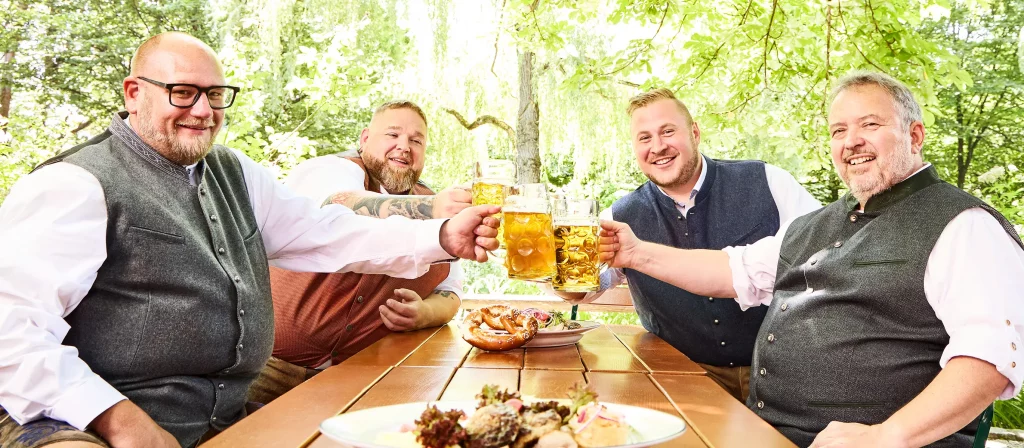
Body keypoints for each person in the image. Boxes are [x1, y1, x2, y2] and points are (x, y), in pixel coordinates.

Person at [0, 32, 499, 448]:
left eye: (215, 95)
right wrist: (116, 418)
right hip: (81, 422)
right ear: (134, 92)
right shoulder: (74, 185)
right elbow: (11, 336)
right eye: (183, 92)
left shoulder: (233, 170)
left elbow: (321, 232)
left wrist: (440, 235)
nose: (203, 110)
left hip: (227, 416)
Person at [597, 71, 1024, 447]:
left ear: (915, 136)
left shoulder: (964, 224)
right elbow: (730, 271)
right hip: (765, 430)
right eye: (839, 130)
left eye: (869, 124)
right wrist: (634, 252)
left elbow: (991, 357)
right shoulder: (816, 225)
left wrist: (887, 436)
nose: (851, 140)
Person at [553, 88, 820, 401]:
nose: (658, 146)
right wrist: (551, 258)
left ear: (695, 132)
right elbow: (582, 288)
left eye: (668, 131)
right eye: (644, 138)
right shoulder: (620, 215)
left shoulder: (769, 181)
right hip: (681, 377)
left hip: (782, 371)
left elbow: (824, 255)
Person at [247, 100, 472, 404]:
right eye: (392, 135)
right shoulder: (329, 169)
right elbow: (341, 204)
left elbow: (450, 292)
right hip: (268, 369)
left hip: (363, 377)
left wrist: (423, 313)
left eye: (416, 140)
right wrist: (432, 211)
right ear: (365, 139)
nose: (404, 146)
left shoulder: (437, 203)